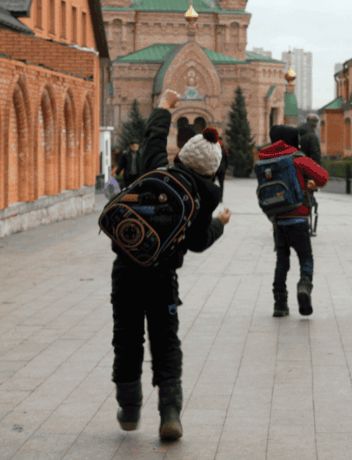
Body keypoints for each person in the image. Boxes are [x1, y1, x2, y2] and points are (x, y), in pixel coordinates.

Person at [110, 89, 231, 441]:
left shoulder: (157, 170)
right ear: (211, 170)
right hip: (163, 277)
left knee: (126, 337)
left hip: (127, 269)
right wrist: (219, 224)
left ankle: (129, 409)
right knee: (165, 341)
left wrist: (163, 107)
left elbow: (153, 138)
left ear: (181, 156)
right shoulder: (203, 197)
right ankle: (170, 413)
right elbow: (197, 242)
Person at [258, 125, 329, 317]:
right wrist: (311, 183)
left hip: (277, 219)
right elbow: (323, 177)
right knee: (305, 257)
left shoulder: (265, 160)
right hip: (298, 217)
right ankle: (304, 286)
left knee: (282, 261)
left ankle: (279, 304)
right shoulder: (298, 159)